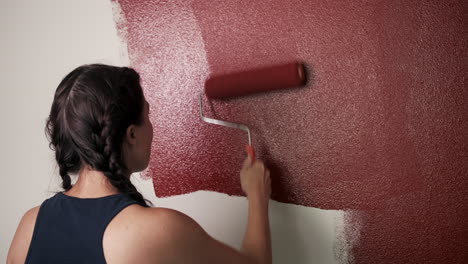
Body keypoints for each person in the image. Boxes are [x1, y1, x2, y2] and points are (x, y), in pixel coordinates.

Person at [7, 64, 272, 263]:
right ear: (132, 134)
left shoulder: (30, 224)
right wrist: (257, 197)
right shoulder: (157, 230)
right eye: (148, 115)